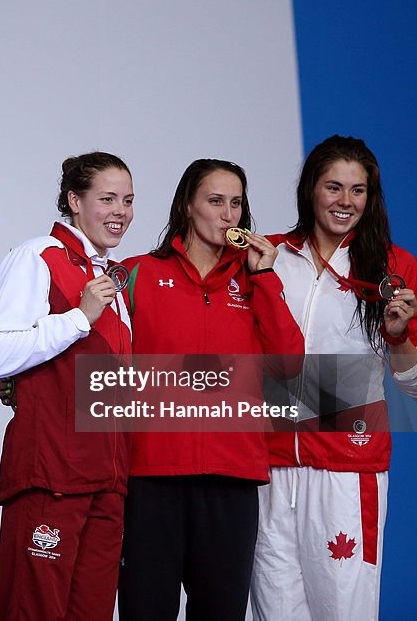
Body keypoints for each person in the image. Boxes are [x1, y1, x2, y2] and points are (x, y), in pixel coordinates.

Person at [251, 135, 417, 621]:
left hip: (346, 469)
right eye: (334, 186)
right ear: (311, 188)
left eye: (358, 191)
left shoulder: (396, 269)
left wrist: (398, 337)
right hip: (265, 468)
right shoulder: (268, 256)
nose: (345, 201)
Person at [115, 159, 304, 620]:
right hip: (151, 478)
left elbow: (289, 365)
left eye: (236, 203)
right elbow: (102, 368)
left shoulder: (256, 279)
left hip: (230, 480)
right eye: (215, 201)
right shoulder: (135, 274)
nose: (228, 215)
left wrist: (263, 278)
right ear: (187, 206)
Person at [0, 152, 135, 620]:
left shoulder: (109, 278)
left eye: (127, 200)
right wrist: (78, 318)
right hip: (51, 479)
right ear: (73, 200)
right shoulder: (36, 257)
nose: (120, 211)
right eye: (106, 198)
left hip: (107, 485)